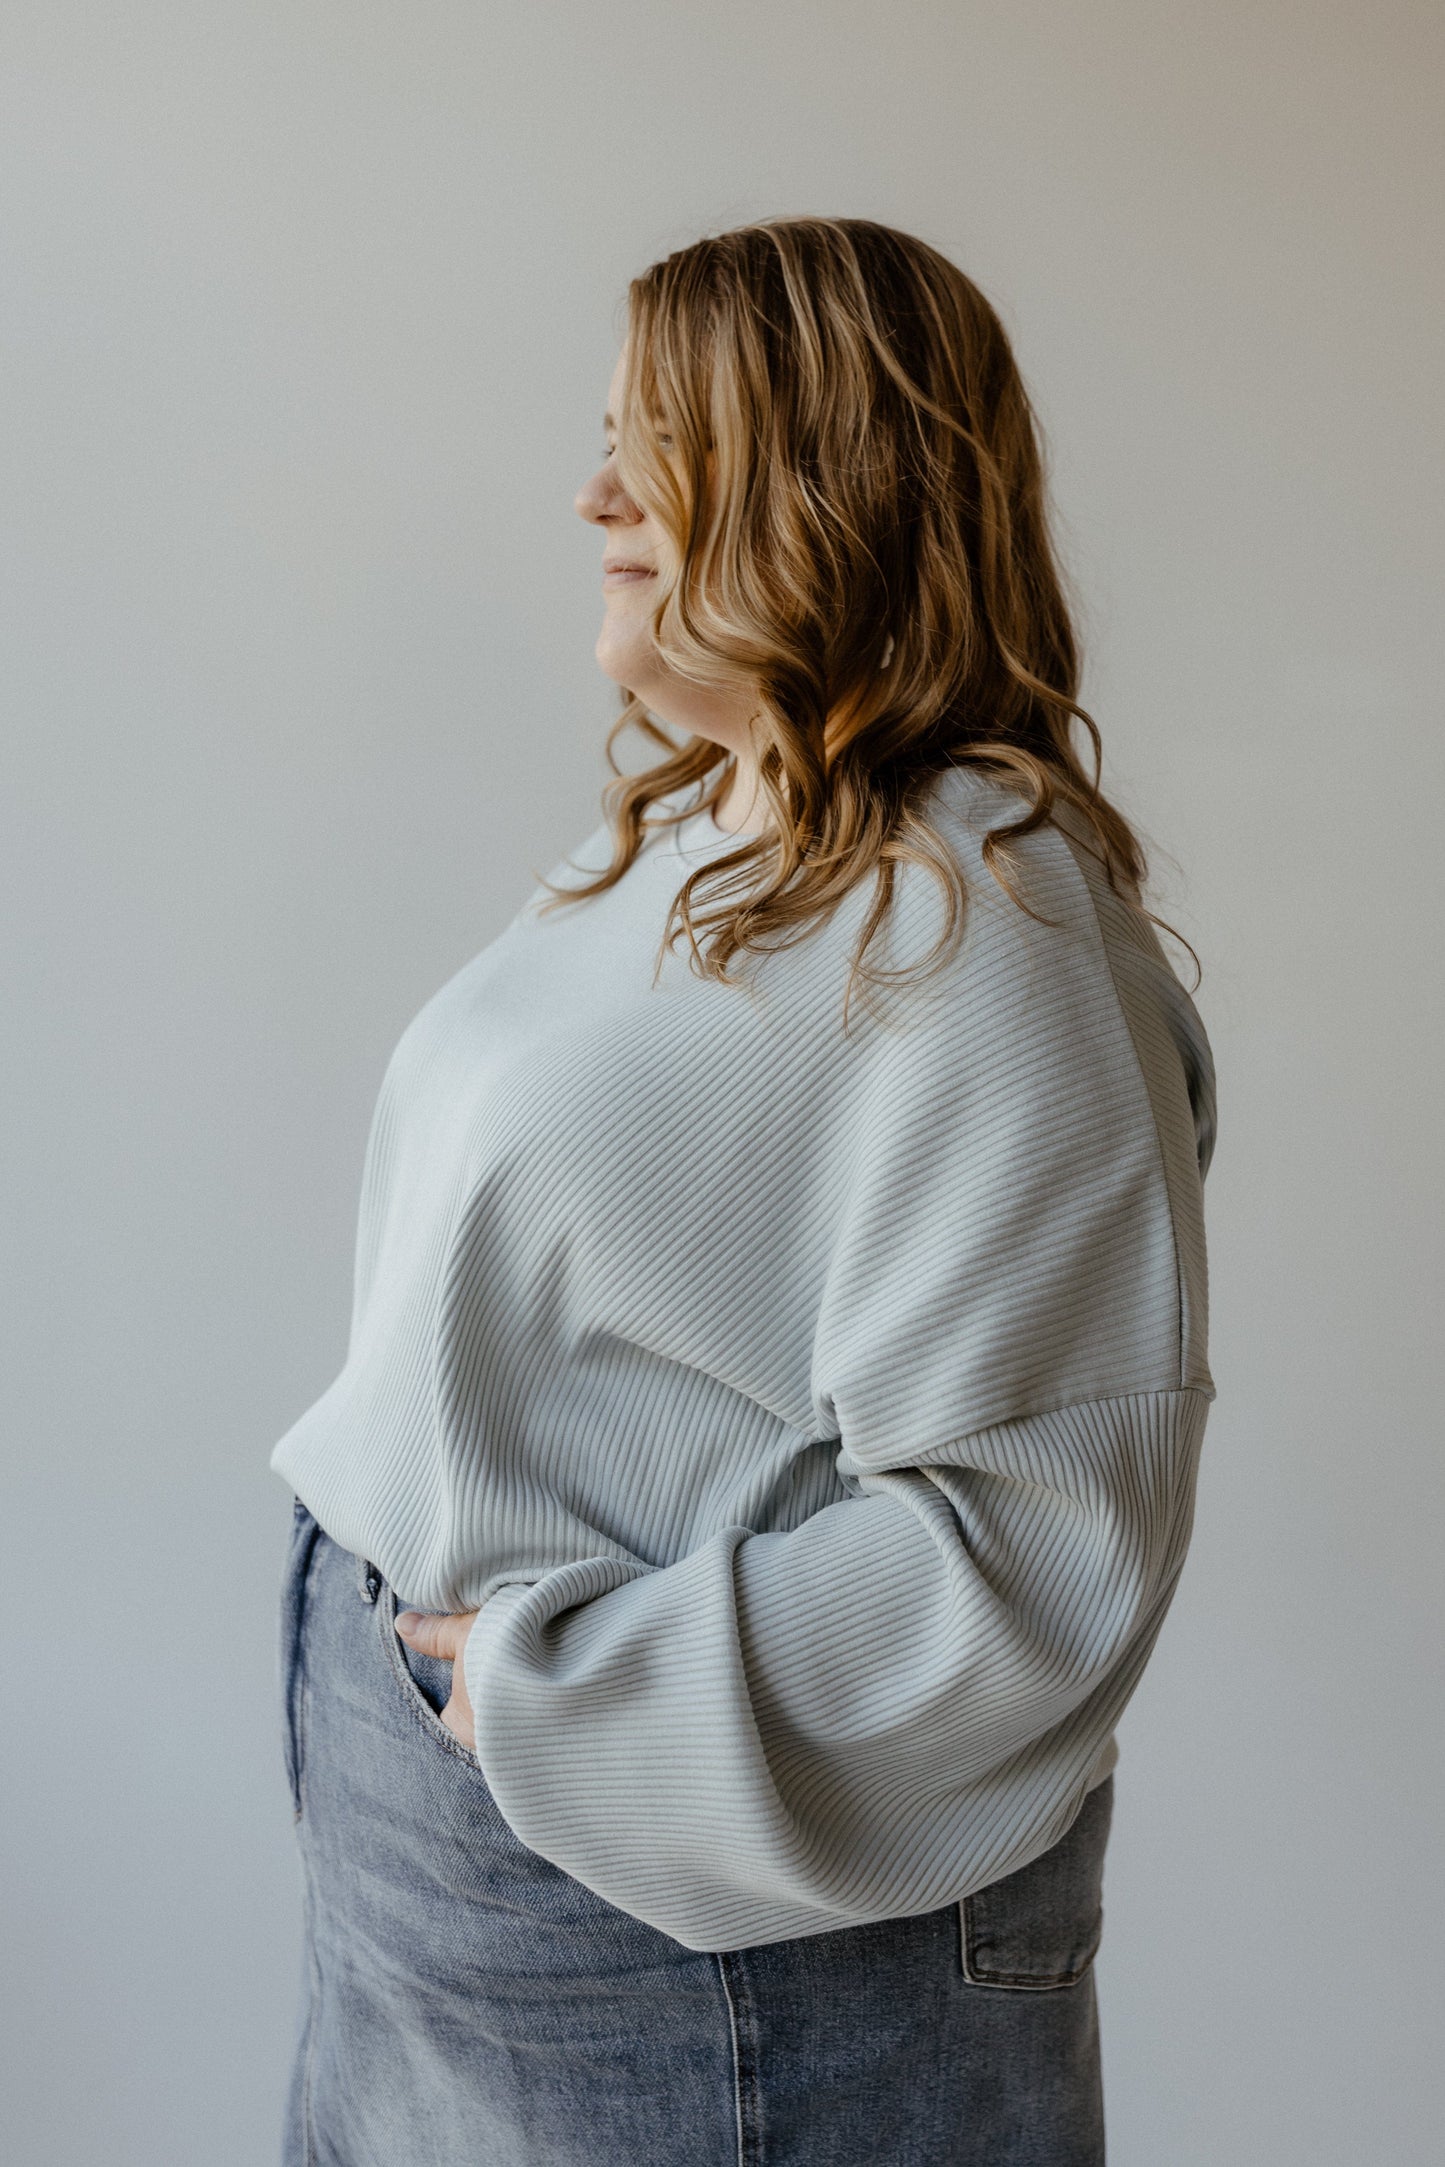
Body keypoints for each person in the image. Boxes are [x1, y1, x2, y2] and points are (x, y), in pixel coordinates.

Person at [271, 215, 1217, 2167]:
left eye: (663, 440)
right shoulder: (713, 836)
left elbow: (1036, 1553)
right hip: (486, 1859)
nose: (597, 492)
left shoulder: (989, 923)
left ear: (828, 475)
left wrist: (555, 1695)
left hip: (681, 1924)